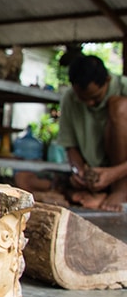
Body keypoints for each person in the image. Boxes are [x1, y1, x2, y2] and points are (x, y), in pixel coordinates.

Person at [56, 54, 127, 212]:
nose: (89, 103)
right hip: (98, 176)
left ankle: (121, 190)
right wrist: (79, 171)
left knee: (120, 107)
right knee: (25, 179)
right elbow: (70, 146)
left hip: (122, 175)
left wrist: (115, 174)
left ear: (107, 80)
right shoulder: (70, 98)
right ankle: (98, 193)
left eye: (95, 98)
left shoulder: (124, 87)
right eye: (82, 99)